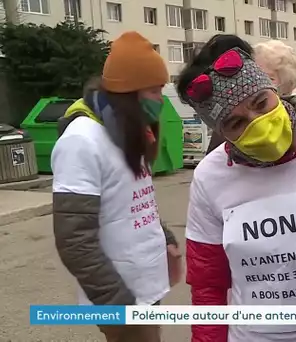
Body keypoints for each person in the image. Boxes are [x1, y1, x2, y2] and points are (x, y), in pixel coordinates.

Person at [177, 36, 296, 342]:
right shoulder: (209, 177)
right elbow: (208, 285)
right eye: (235, 123)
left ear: (275, 89)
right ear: (221, 133)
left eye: (261, 103)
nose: (257, 123)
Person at [51, 31, 182, 342]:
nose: (160, 99)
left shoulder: (130, 132)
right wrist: (117, 303)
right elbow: (74, 239)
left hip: (145, 285)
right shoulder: (82, 141)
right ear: (128, 92)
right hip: (119, 297)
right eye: (154, 90)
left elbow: (134, 199)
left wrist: (165, 238)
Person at [204, 37, 296, 155]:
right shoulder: (229, 122)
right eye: (250, 72)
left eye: (268, 78)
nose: (255, 81)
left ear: (286, 86)